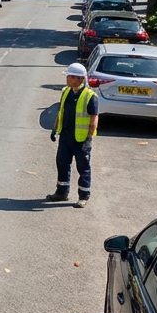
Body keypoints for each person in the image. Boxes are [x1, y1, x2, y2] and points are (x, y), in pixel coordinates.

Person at [48, 62, 99, 208]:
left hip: (81, 139)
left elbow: (94, 118)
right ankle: (62, 192)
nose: (67, 79)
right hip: (66, 137)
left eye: (70, 76)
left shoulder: (90, 96)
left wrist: (89, 138)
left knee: (83, 167)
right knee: (62, 164)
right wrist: (54, 129)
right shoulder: (65, 92)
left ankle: (83, 196)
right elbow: (61, 112)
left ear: (79, 78)